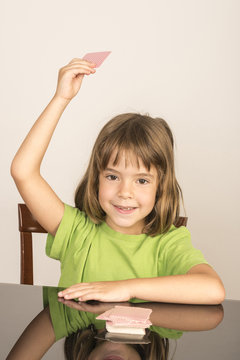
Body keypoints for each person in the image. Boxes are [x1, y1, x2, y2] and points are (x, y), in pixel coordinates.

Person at [11, 58, 225, 304]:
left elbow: (213, 289)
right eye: (112, 177)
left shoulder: (168, 242)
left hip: (144, 344)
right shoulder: (77, 232)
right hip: (83, 342)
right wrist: (61, 99)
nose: (125, 192)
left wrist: (126, 288)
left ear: (160, 186)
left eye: (142, 181)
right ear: (96, 179)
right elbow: (23, 171)